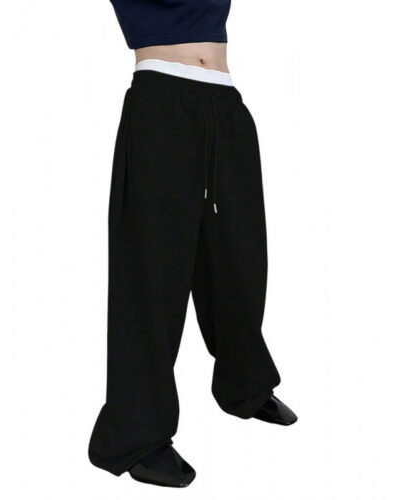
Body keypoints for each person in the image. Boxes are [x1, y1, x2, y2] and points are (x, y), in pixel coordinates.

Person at [89, 0, 297, 488]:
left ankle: (244, 383)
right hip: (162, 100)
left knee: (239, 256)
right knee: (152, 273)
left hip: (225, 101)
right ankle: (135, 434)